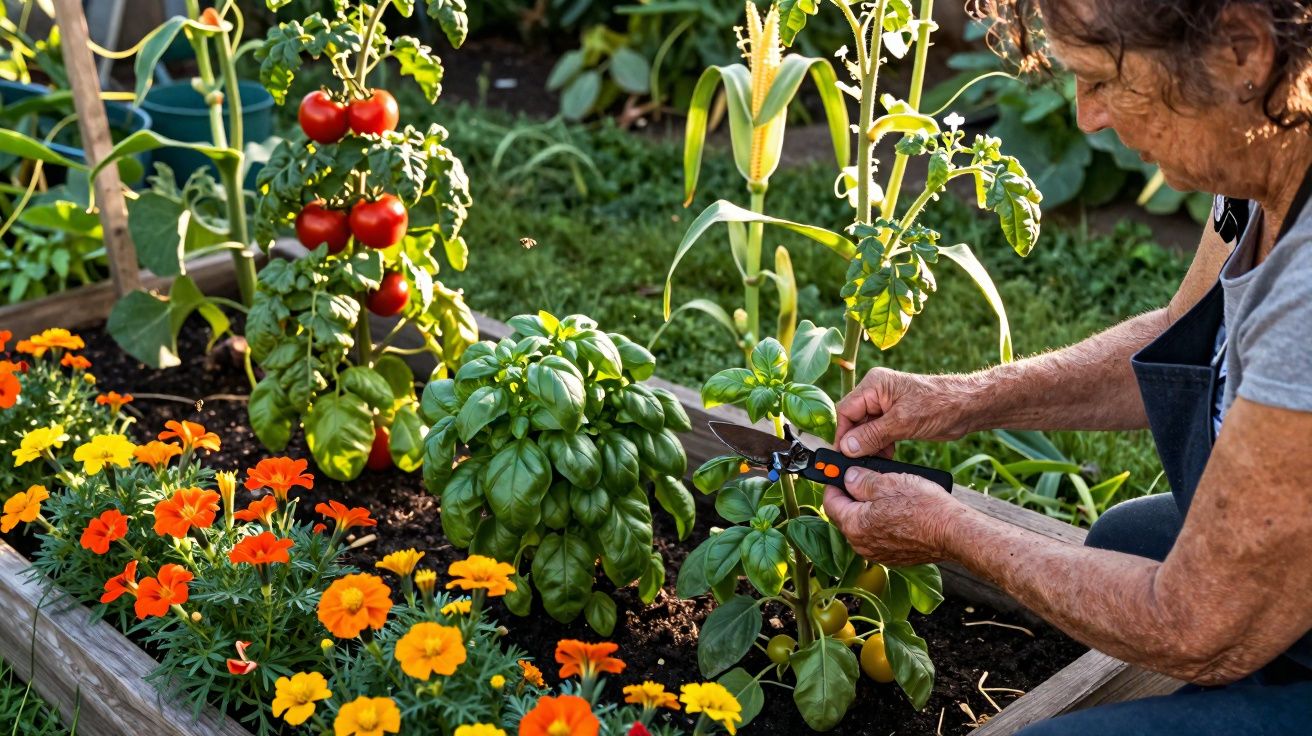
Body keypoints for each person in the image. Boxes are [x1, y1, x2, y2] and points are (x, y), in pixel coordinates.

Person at [822, 1, 1312, 732]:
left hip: (1207, 619)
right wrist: (965, 399)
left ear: (1240, 51)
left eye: (1103, 81)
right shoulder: (1265, 150)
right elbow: (1180, 338)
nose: (1087, 116)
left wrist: (952, 532)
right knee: (1126, 543)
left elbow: (1193, 623)